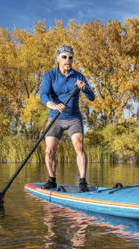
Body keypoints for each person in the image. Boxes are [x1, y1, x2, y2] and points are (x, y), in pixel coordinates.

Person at [39, 45, 95, 192]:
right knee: (50, 150)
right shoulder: (49, 75)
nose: (67, 60)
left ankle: (82, 181)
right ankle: (51, 180)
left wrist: (84, 88)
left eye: (70, 57)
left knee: (79, 146)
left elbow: (92, 97)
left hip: (73, 118)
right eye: (64, 57)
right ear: (58, 58)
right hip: (55, 117)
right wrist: (53, 105)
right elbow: (43, 95)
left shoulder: (79, 76)